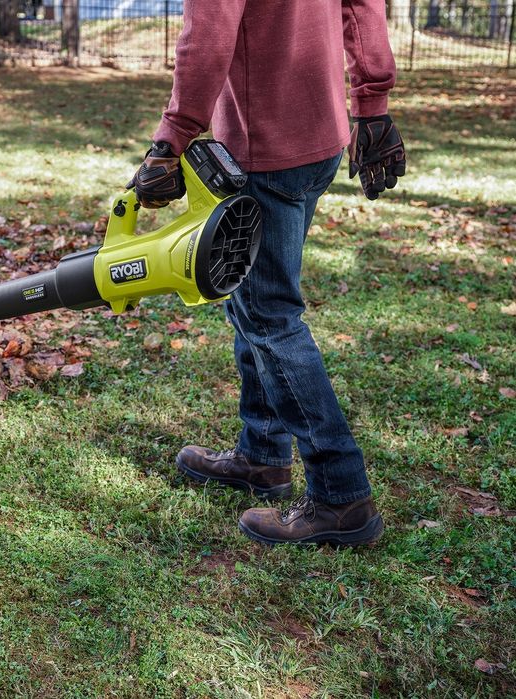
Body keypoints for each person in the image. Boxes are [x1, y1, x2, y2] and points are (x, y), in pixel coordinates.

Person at [129, 0, 407, 546]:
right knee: (252, 303)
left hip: (267, 147)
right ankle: (262, 456)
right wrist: (372, 104)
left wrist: (173, 138)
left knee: (269, 317)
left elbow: (208, 36)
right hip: (321, 138)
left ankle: (341, 495)